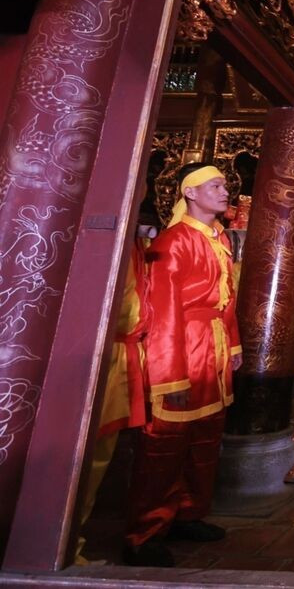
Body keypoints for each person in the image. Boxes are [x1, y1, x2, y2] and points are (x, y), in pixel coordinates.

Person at [124, 164, 242, 567]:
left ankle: (188, 512)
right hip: (182, 348)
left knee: (206, 438)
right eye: (216, 185)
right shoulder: (175, 241)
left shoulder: (219, 238)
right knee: (165, 443)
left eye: (224, 185)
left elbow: (226, 299)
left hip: (214, 347)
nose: (225, 191)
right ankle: (146, 530)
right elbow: (165, 312)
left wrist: (236, 343)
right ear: (190, 193)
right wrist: (169, 373)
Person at [76, 211, 158, 564]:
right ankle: (64, 543)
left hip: (127, 355)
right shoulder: (100, 244)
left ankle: (71, 541)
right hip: (100, 356)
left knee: (100, 452)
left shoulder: (139, 245)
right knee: (84, 452)